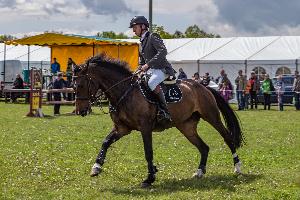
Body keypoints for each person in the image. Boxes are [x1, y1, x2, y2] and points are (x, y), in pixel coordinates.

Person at [130, 16, 175, 121]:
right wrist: (139, 68)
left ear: (143, 26)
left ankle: (165, 111)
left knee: (151, 83)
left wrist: (148, 64)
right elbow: (142, 60)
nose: (133, 30)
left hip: (162, 69)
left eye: (135, 27)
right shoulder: (141, 42)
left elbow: (163, 51)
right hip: (151, 70)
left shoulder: (152, 36)